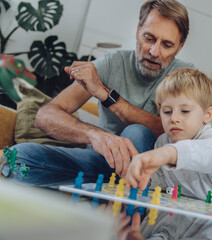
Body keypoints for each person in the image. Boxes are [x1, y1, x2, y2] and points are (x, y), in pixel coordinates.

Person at [1, 0, 194, 186]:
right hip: (102, 163)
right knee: (20, 157)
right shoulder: (112, 63)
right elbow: (45, 116)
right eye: (149, 38)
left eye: (167, 45)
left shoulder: (184, 77)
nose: (153, 51)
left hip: (155, 173)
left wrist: (105, 95)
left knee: (137, 133)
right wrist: (96, 136)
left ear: (180, 47)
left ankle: (128, 197)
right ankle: (115, 187)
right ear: (138, 31)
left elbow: (180, 134)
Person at [125, 68, 212, 204]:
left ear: (207, 114)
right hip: (186, 205)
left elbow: (203, 154)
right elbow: (160, 183)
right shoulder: (162, 142)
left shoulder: (211, 139)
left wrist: (167, 153)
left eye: (185, 111)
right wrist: (144, 185)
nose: (174, 118)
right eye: (167, 111)